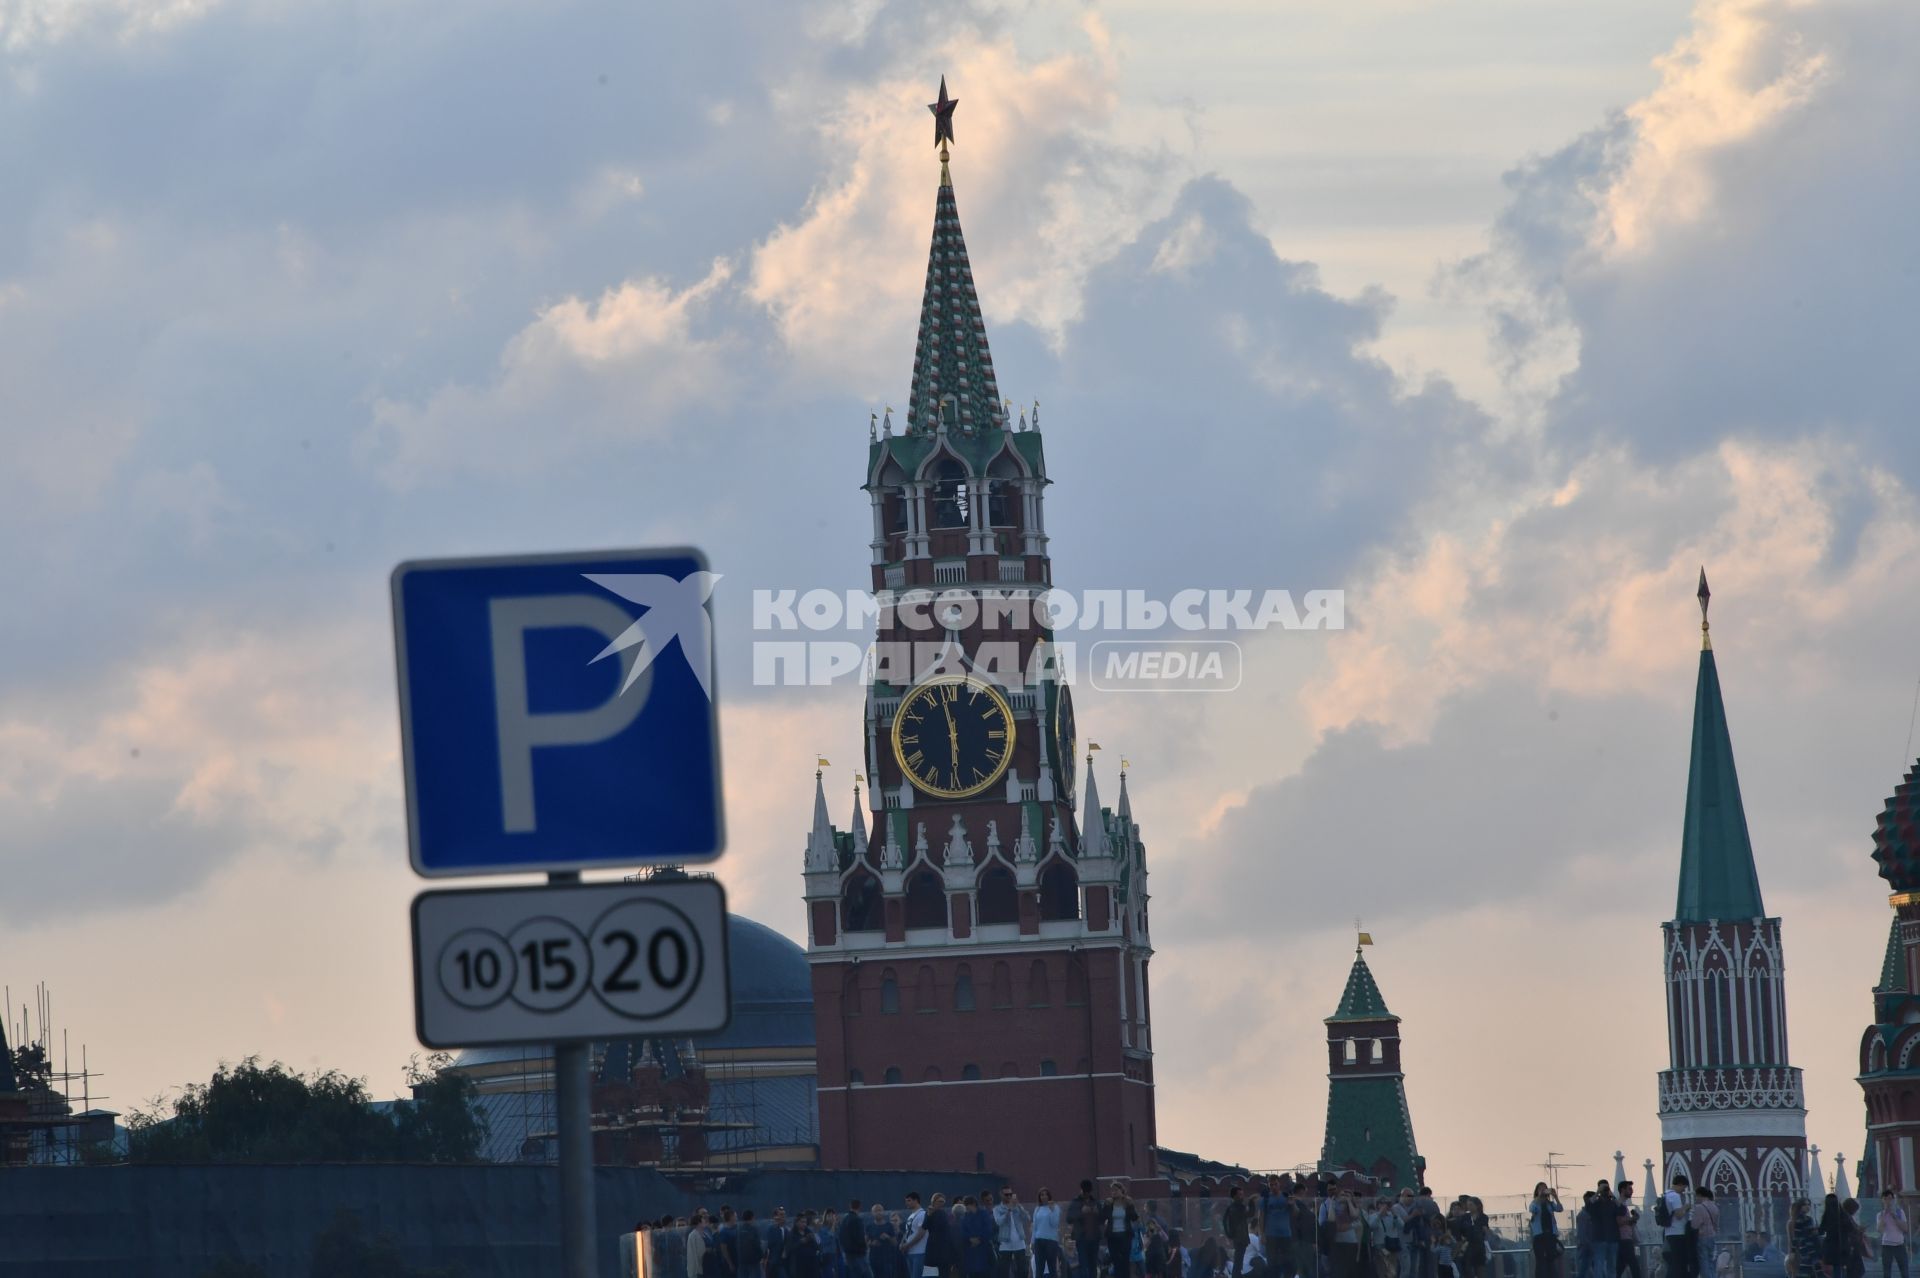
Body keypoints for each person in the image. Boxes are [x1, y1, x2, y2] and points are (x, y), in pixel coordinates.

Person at [1261, 1178, 1296, 1278]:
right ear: (1268, 1186)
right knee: (1272, 1263)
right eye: (1271, 1185)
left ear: (1279, 1184)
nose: (1273, 1187)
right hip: (1271, 1235)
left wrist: (1292, 1205)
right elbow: (1261, 1217)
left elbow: (1295, 1214)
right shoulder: (1266, 1199)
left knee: (1288, 1262)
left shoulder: (1286, 1197)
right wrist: (1262, 1234)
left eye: (1275, 1184)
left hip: (1286, 1234)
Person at [995, 1188, 1034, 1278]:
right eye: (1006, 1195)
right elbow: (999, 1222)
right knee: (1004, 1271)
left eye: (1010, 1194)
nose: (1009, 1196)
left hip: (1019, 1242)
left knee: (1022, 1270)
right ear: (1001, 1195)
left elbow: (1027, 1218)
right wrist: (1008, 1211)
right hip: (1005, 1243)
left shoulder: (1017, 1207)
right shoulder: (998, 1209)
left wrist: (1019, 1206)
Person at [1107, 1183, 1142, 1278]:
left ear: (1121, 1191)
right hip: (1113, 1236)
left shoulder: (1127, 1203)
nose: (1113, 1192)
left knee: (1125, 1261)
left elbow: (1134, 1217)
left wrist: (1131, 1205)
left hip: (1125, 1236)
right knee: (1116, 1261)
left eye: (1115, 1190)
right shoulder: (1109, 1203)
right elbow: (1103, 1217)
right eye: (1112, 1190)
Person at [1531, 1183, 1565, 1278]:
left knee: (1551, 1260)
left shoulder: (1550, 1204)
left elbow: (1560, 1208)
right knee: (1540, 1262)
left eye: (1545, 1189)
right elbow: (1532, 1208)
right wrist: (1539, 1196)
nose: (1543, 1191)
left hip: (1550, 1235)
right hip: (1539, 1236)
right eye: (1540, 1189)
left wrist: (1555, 1196)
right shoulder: (1535, 1203)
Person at [1662, 1176, 1691, 1278]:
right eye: (1684, 1187)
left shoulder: (1666, 1195)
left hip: (1669, 1232)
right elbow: (1679, 1215)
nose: (1683, 1190)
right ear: (1680, 1184)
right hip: (1678, 1233)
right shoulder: (1675, 1196)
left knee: (1675, 1261)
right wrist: (1686, 1207)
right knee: (1678, 1262)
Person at [1073, 1183, 1104, 1278]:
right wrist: (1081, 1212)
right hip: (1082, 1239)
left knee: (1093, 1265)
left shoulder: (1096, 1202)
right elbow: (1069, 1218)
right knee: (1083, 1265)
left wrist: (1098, 1213)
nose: (1086, 1193)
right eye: (1084, 1191)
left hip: (1094, 1239)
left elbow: (1102, 1219)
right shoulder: (1076, 1202)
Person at [1033, 1188, 1065, 1278]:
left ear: (1049, 1196)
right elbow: (1035, 1227)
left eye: (1045, 1194)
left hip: (1051, 1241)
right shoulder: (1037, 1209)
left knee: (1052, 1268)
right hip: (1039, 1240)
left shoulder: (1055, 1208)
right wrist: (1032, 1241)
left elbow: (1054, 1224)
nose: (1044, 1196)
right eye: (1042, 1195)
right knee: (1039, 1268)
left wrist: (1052, 1210)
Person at [1689, 1187, 1720, 1278]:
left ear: (1700, 1195)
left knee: (1704, 1262)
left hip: (1702, 1237)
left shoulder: (1699, 1207)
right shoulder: (1715, 1207)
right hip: (1712, 1236)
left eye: (1696, 1196)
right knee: (1711, 1261)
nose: (1696, 1199)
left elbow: (1695, 1225)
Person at [1613, 1185, 1640, 1278]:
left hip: (1625, 1239)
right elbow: (1619, 1222)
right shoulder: (1619, 1205)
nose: (1632, 1191)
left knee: (1620, 1267)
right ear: (1622, 1190)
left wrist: (1633, 1220)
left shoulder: (1622, 1205)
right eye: (1629, 1189)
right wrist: (1632, 1219)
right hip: (1624, 1239)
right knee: (1634, 1265)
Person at [1882, 1192, 1909, 1278]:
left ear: (1893, 1200)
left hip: (1899, 1245)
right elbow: (1880, 1230)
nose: (1888, 1201)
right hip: (1887, 1245)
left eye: (1890, 1198)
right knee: (1887, 1272)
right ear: (1882, 1200)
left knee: (1904, 1271)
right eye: (1885, 1199)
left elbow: (1905, 1229)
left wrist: (1894, 1216)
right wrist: (1885, 1213)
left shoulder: (1900, 1212)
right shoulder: (1880, 1214)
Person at [904, 1195, 930, 1278]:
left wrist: (907, 1245)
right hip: (910, 1252)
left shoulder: (922, 1214)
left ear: (916, 1201)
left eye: (909, 1200)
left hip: (920, 1252)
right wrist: (902, 1244)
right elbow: (908, 1232)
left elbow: (921, 1234)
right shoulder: (911, 1216)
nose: (906, 1203)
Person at [741, 1211, 767, 1278]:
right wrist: (763, 1256)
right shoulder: (754, 1229)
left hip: (742, 1261)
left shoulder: (738, 1229)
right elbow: (757, 1245)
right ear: (752, 1218)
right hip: (754, 1261)